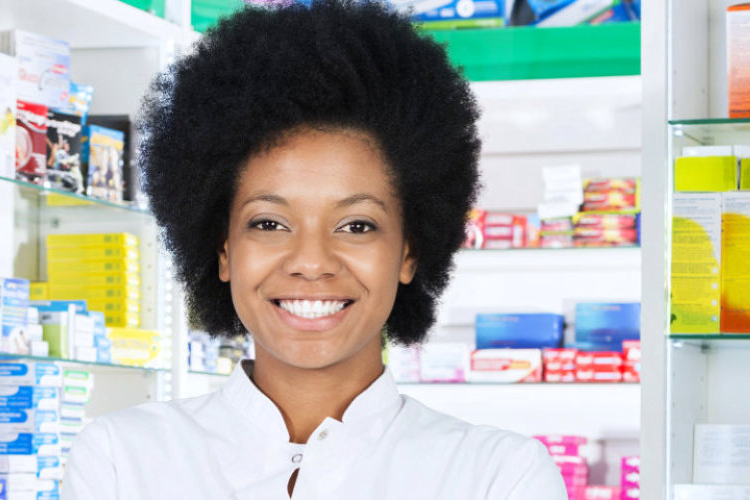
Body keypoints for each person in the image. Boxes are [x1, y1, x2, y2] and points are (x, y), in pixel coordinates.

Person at [62, 1, 565, 498]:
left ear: (409, 252)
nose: (310, 261)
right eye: (269, 222)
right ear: (223, 250)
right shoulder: (121, 460)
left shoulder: (498, 475)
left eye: (356, 225)